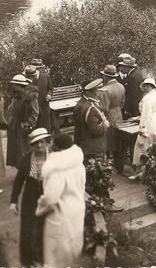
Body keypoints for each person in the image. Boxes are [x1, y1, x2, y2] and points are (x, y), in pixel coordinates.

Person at [36, 133, 86, 268]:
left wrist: (41, 204)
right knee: (71, 248)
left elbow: (51, 197)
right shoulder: (78, 164)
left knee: (55, 255)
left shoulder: (56, 169)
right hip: (77, 210)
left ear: (56, 148)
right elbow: (82, 186)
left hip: (60, 214)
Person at [9, 128, 51, 267]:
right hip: (30, 196)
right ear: (32, 145)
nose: (39, 145)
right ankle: (29, 261)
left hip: (49, 196)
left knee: (47, 229)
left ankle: (45, 259)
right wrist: (14, 201)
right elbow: (19, 181)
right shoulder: (26, 159)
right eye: (36, 143)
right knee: (28, 229)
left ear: (47, 142)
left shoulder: (54, 158)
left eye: (42, 142)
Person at [130, 77, 156, 180]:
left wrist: (142, 129)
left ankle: (142, 171)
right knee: (155, 145)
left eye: (146, 86)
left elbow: (146, 115)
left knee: (142, 146)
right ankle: (151, 169)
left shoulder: (147, 98)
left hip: (150, 123)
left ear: (149, 86)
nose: (144, 88)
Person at [6, 74, 39, 168]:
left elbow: (35, 112)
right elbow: (11, 110)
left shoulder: (31, 97)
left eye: (15, 85)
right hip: (15, 126)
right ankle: (21, 172)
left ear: (20, 86)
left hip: (25, 128)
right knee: (16, 151)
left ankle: (29, 173)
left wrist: (28, 124)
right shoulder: (16, 97)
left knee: (25, 150)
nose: (13, 87)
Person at [73, 79, 110, 163]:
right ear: (88, 92)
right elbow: (81, 126)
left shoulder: (90, 103)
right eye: (96, 90)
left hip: (90, 143)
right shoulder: (83, 105)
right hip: (88, 143)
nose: (98, 93)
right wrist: (105, 125)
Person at [98, 65, 126, 171]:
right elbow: (122, 103)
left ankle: (105, 165)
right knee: (119, 140)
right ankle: (120, 165)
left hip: (108, 116)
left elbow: (103, 108)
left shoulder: (104, 90)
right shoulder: (121, 86)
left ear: (106, 77)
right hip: (119, 114)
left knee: (108, 140)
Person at [25, 60, 54, 133]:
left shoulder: (46, 77)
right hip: (32, 109)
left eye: (39, 68)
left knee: (46, 129)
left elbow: (50, 88)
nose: (37, 70)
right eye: (36, 68)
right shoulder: (27, 78)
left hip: (44, 106)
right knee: (34, 130)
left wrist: (49, 94)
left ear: (41, 68)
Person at [118, 55, 144, 120]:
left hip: (134, 108)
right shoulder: (136, 73)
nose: (120, 69)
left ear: (127, 67)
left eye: (121, 66)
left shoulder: (132, 77)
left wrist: (128, 110)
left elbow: (133, 95)